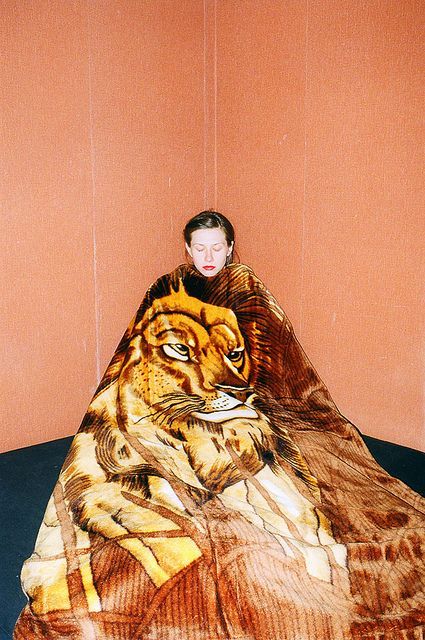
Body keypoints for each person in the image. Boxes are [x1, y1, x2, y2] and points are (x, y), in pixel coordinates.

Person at [14, 210, 425, 640]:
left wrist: (248, 400)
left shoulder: (245, 286)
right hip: (172, 405)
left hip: (239, 403)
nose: (208, 256)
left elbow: (275, 357)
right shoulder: (166, 287)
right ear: (188, 249)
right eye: (200, 247)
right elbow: (134, 352)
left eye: (217, 246)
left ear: (230, 248)